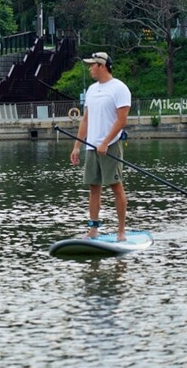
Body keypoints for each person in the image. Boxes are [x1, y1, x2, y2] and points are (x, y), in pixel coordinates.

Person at [69, 52, 131, 241]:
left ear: (102, 66)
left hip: (110, 145)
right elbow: (86, 120)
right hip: (91, 146)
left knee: (115, 187)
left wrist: (105, 142)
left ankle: (121, 232)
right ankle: (94, 228)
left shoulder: (119, 88)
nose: (90, 68)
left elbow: (121, 121)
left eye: (92, 65)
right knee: (93, 188)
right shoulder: (91, 90)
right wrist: (77, 146)